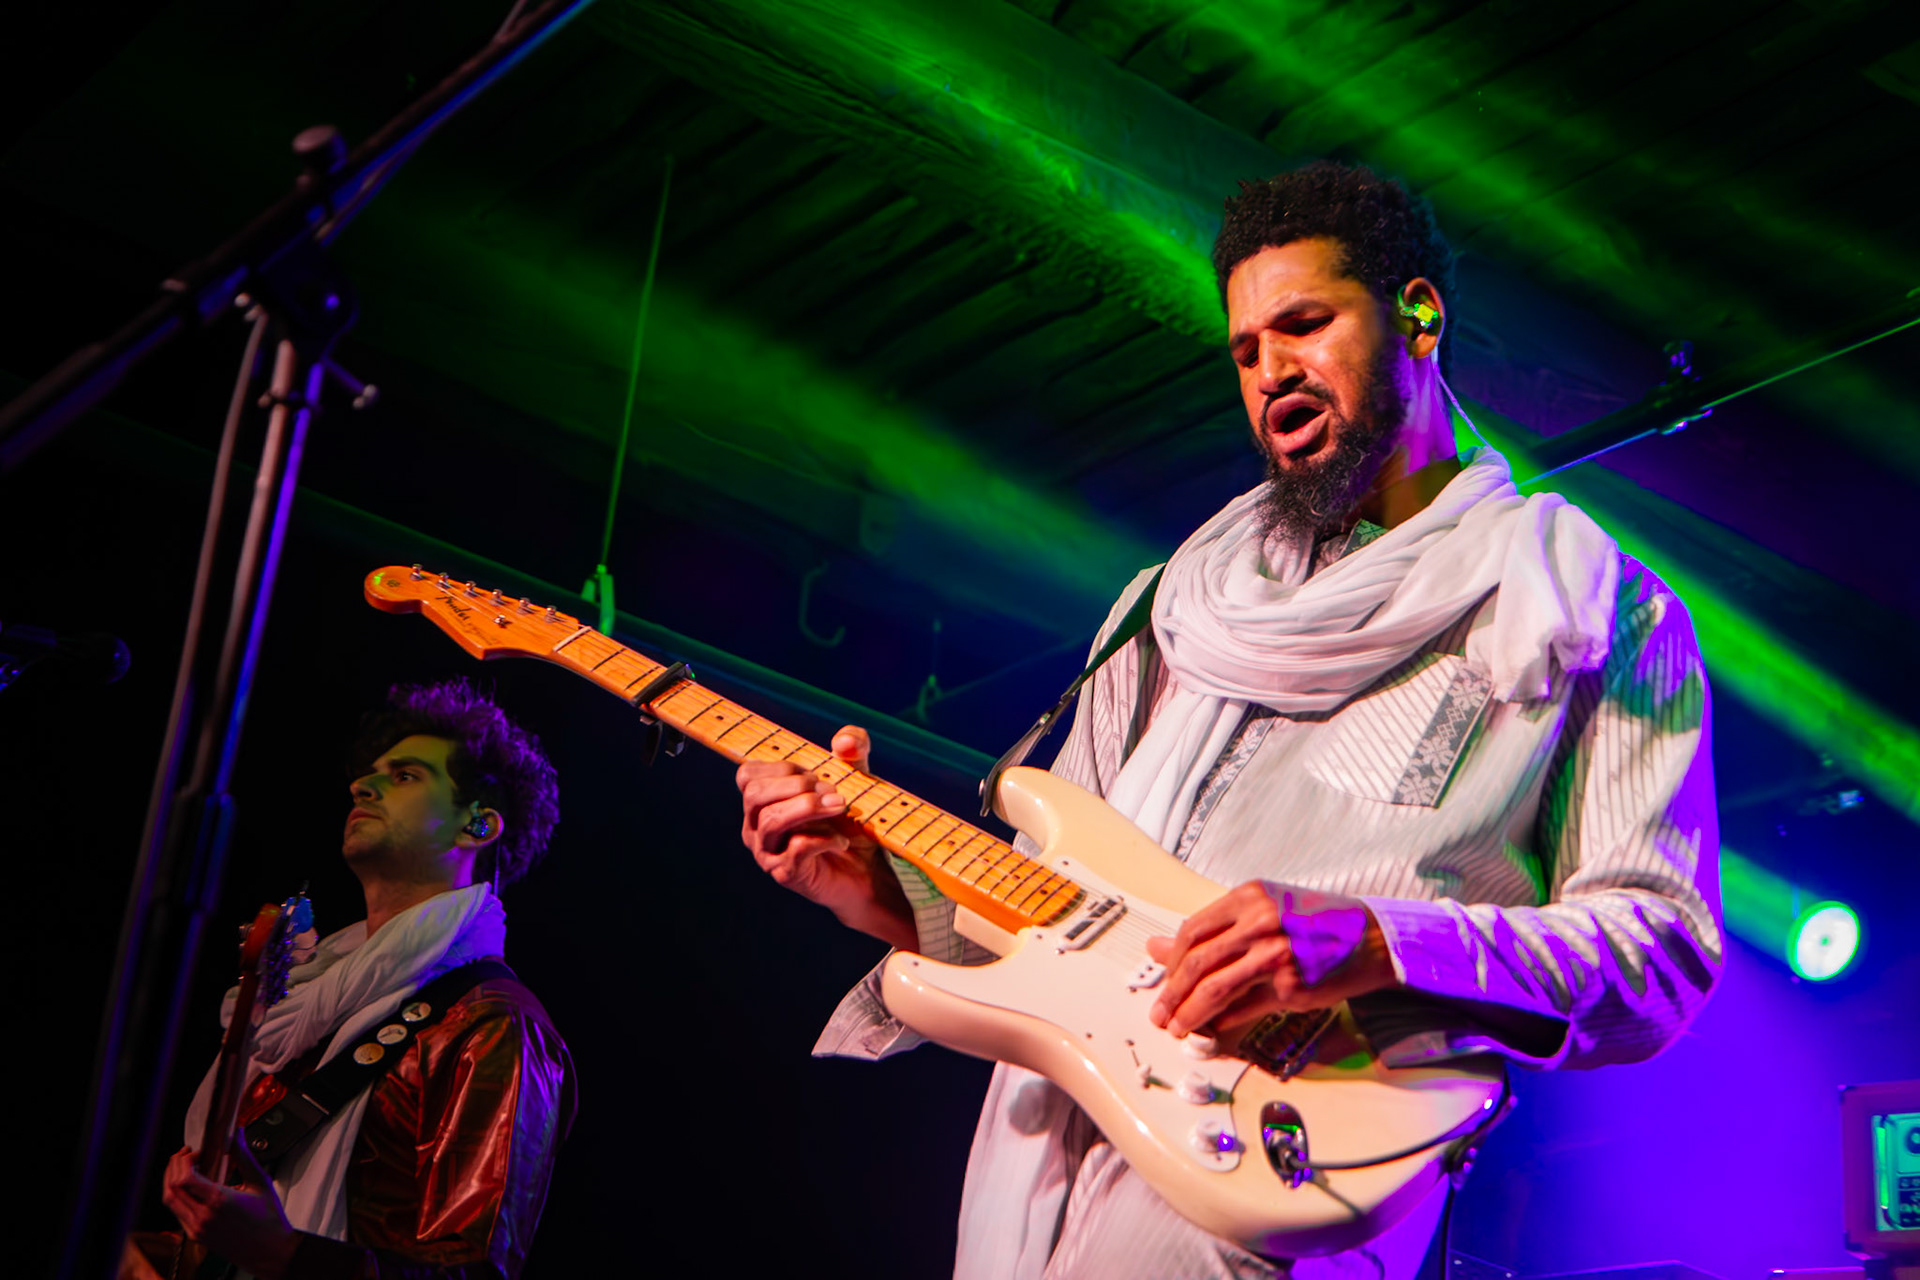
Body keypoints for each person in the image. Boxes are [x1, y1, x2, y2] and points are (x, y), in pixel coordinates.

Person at [735, 161, 1720, 1278]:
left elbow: (1662, 950)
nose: (1270, 372)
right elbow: (1052, 929)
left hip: (1286, 1184)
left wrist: (1378, 938)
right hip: (1045, 1177)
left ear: (1419, 315)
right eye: (1246, 350)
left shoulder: (1593, 606)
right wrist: (876, 887)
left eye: (1304, 324)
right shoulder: (1163, 612)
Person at [127, 679, 574, 1280]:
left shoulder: (492, 1023)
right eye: (371, 774)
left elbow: (473, 1273)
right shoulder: (313, 1005)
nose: (361, 785)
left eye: (406, 775)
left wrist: (286, 1256)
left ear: (477, 825)